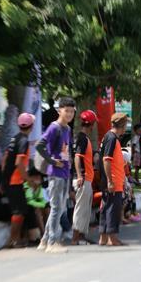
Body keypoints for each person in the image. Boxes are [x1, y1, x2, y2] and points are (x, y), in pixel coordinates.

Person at [34, 97, 75, 253]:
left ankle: (44, 241)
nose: (69, 114)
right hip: (55, 173)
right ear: (60, 111)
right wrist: (51, 160)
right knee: (57, 207)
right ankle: (52, 242)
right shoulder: (54, 127)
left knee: (59, 207)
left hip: (65, 172)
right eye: (67, 111)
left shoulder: (68, 129)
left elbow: (66, 150)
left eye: (72, 111)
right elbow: (39, 145)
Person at [0, 112, 34, 248]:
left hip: (9, 180)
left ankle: (17, 238)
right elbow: (19, 162)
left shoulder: (14, 139)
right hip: (16, 181)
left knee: (21, 210)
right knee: (18, 211)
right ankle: (14, 240)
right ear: (31, 126)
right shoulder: (24, 141)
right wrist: (28, 179)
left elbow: (4, 161)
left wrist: (3, 181)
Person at [99, 113, 129, 246]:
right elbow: (107, 160)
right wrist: (110, 181)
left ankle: (104, 237)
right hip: (113, 182)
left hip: (111, 180)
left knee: (106, 208)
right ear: (122, 125)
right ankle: (112, 237)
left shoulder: (109, 137)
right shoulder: (111, 138)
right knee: (112, 209)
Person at [71, 110, 96, 245]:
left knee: (85, 209)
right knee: (80, 209)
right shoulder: (82, 138)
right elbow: (77, 157)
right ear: (91, 124)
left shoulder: (82, 138)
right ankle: (75, 238)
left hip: (87, 179)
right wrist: (80, 175)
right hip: (84, 179)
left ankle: (81, 236)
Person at [24, 168, 49, 243]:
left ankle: (47, 232)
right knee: (37, 210)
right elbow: (30, 201)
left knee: (47, 209)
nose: (38, 179)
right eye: (35, 177)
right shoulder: (26, 186)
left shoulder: (39, 187)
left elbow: (42, 199)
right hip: (27, 206)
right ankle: (43, 233)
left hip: (36, 205)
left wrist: (43, 204)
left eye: (39, 177)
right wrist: (41, 204)